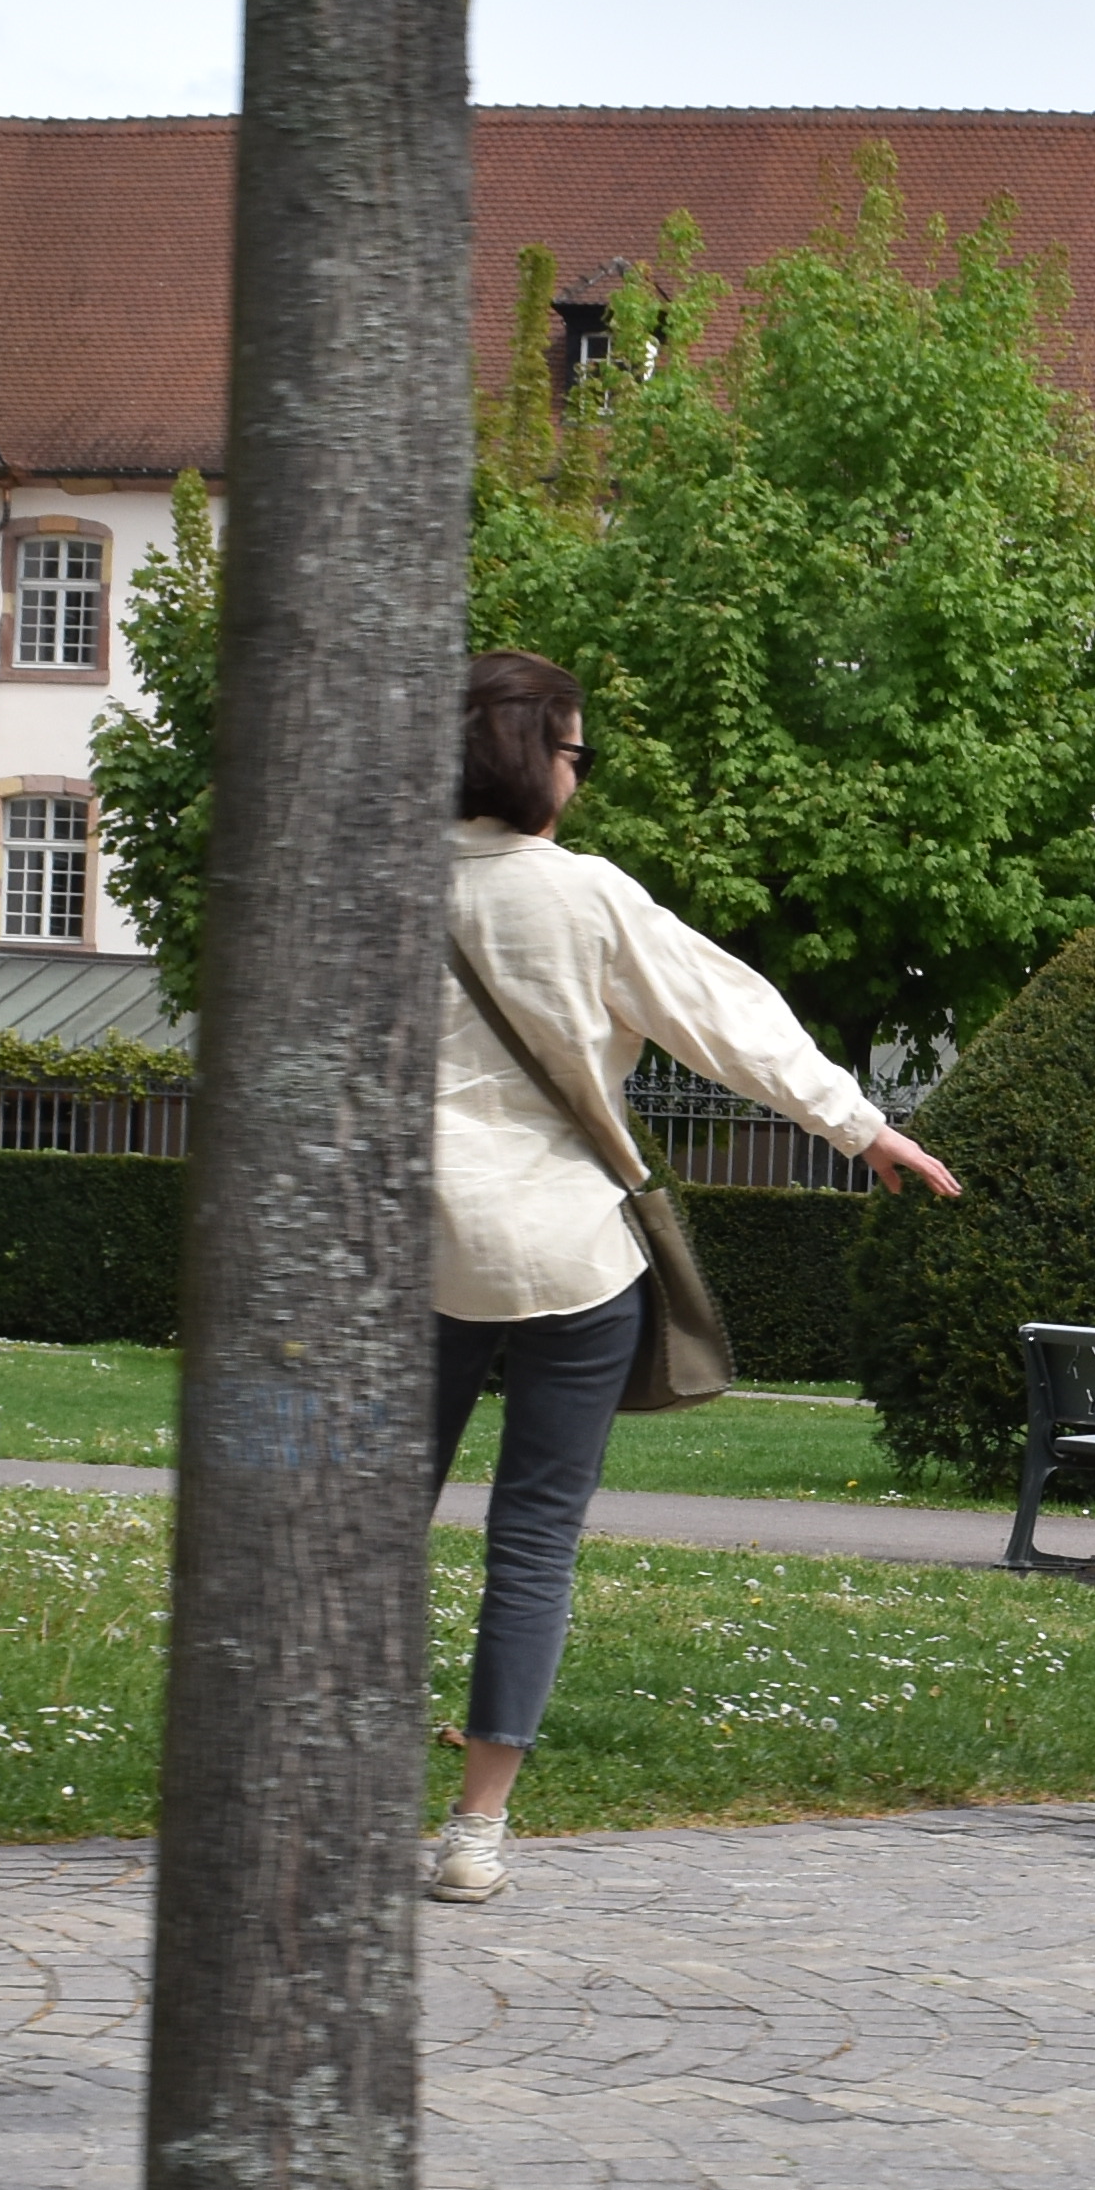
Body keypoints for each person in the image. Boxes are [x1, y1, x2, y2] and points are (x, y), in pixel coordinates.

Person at [425, 649, 960, 1901]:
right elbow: (730, 1018)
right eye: (577, 753)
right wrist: (858, 1124)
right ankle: (476, 1832)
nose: (580, 776)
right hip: (568, 1256)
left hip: (418, 1253)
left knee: (365, 1529)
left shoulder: (376, 886)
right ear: (532, 759)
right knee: (534, 1542)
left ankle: (318, 1787)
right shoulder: (587, 898)